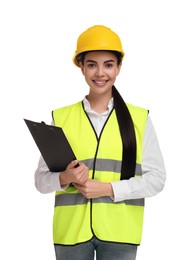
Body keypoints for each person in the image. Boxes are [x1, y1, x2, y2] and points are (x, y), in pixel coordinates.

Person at [34, 25, 166, 260]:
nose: (100, 73)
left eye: (108, 64)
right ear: (82, 68)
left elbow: (157, 179)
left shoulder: (139, 119)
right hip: (71, 233)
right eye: (92, 64)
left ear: (118, 68)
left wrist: (107, 189)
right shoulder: (61, 118)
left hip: (120, 232)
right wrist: (65, 178)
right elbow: (41, 181)